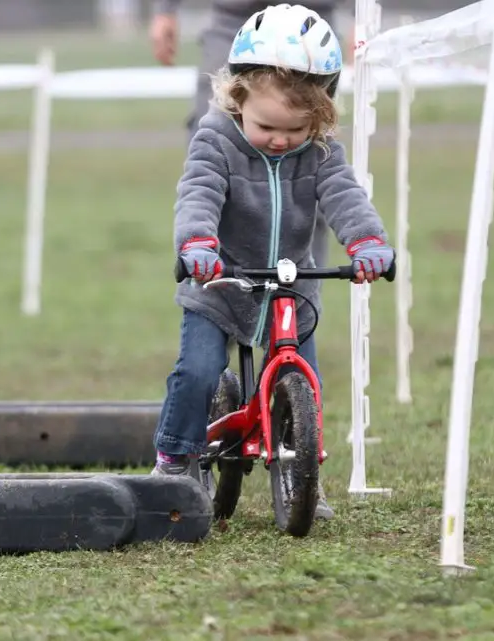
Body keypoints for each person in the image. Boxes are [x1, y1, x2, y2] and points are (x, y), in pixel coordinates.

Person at [150, 4, 395, 523]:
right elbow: (198, 192)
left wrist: (367, 241)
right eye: (267, 126)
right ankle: (174, 459)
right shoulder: (216, 138)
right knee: (197, 370)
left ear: (321, 115)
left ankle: (304, 476)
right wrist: (197, 246)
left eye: (297, 129)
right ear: (237, 99)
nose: (281, 140)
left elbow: (344, 195)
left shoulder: (321, 150)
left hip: (290, 284)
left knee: (308, 377)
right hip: (219, 280)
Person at [150, 0, 342, 298]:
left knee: (310, 180)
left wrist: (360, 11)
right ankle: (217, 304)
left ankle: (295, 309)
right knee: (213, 168)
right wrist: (165, 9)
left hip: (313, 34)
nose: (279, 137)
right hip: (236, 26)